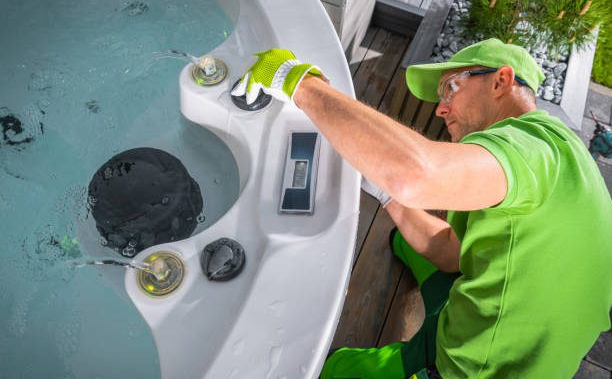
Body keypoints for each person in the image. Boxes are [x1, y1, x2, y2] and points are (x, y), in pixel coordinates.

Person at [231, 39, 612, 378]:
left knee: (336, 368)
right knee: (405, 242)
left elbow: (416, 174)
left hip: (482, 365)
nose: (441, 110)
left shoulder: (529, 149)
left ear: (501, 81)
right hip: (541, 342)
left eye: (451, 88)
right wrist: (385, 194)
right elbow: (451, 253)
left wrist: (297, 80)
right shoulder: (562, 148)